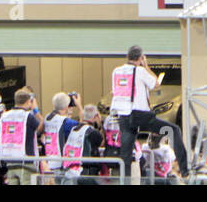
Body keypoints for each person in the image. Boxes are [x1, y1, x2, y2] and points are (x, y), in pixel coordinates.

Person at [113, 45, 189, 179]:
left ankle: (124, 181)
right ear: (140, 58)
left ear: (127, 57)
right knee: (173, 130)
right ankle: (184, 170)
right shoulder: (140, 71)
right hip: (141, 117)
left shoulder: (116, 71)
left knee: (125, 154)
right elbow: (156, 84)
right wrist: (146, 66)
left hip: (123, 117)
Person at [0, 88, 41, 185]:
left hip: (9, 160)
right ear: (28, 101)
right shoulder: (27, 116)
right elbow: (41, 128)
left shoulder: (4, 116)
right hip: (25, 162)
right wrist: (36, 110)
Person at [61, 105, 105, 183]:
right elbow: (102, 142)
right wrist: (100, 124)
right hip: (86, 173)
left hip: (71, 171)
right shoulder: (92, 132)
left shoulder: (74, 129)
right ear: (96, 116)